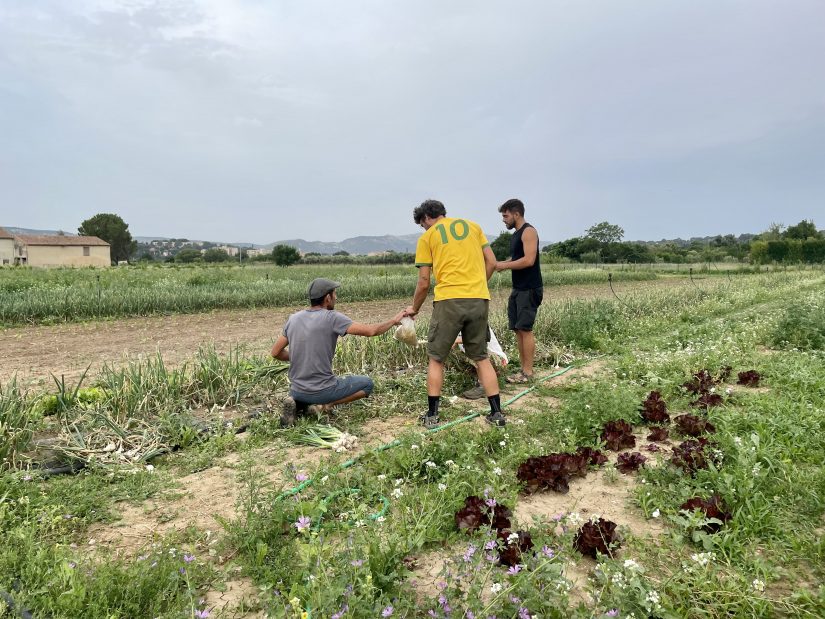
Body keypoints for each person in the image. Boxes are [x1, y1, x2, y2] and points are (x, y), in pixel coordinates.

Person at [405, 199, 506, 427]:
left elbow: (423, 281)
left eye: (423, 224)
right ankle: (497, 414)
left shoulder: (428, 237)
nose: (424, 228)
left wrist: (414, 309)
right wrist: (479, 284)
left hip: (448, 300)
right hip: (479, 298)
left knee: (436, 358)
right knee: (481, 357)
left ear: (426, 218)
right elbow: (492, 262)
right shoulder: (473, 226)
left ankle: (432, 416)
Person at [271, 278, 407, 427]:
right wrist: (394, 321)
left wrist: (300, 355)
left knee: (305, 393)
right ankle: (325, 405)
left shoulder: (294, 319)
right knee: (367, 384)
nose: (336, 297)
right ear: (328, 298)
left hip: (296, 390)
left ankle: (300, 404)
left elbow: (275, 352)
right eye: (335, 294)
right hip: (323, 390)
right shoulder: (332, 317)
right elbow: (371, 331)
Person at [494, 198, 543, 383]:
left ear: (516, 214)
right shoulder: (515, 234)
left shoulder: (528, 231)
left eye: (505, 216)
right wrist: (500, 263)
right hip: (518, 288)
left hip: (529, 288)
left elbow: (529, 260)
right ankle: (523, 369)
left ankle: (528, 373)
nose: (503, 219)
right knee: (518, 329)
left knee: (525, 329)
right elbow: (517, 258)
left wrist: (504, 266)